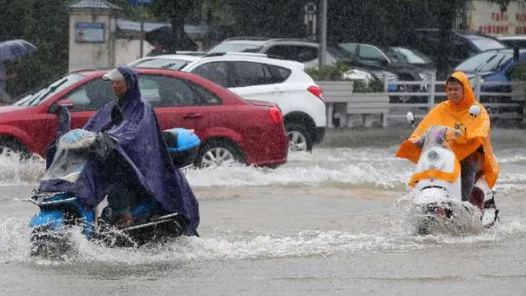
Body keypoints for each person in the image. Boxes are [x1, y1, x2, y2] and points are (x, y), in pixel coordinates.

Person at [80, 66, 199, 233]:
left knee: (116, 175)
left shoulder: (143, 109)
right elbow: (92, 128)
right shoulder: (110, 108)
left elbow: (132, 134)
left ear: (129, 83)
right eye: (113, 83)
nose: (114, 86)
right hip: (118, 158)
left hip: (138, 166)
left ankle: (123, 216)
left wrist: (114, 140)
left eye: (118, 82)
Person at [396, 71, 500, 205]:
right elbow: (426, 127)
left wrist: (466, 137)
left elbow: (482, 128)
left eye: (456, 89)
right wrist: (416, 139)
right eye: (450, 89)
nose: (453, 92)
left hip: (471, 154)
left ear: (465, 89)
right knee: (428, 164)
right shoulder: (441, 109)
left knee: (468, 163)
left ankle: (464, 203)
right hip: (446, 154)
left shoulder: (477, 109)